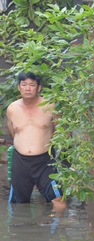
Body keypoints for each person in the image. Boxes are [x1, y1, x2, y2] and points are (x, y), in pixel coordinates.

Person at [7, 71, 67, 211]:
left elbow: (60, 131)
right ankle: (20, 232)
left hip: (45, 161)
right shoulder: (12, 109)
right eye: (24, 85)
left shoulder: (50, 106)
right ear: (19, 87)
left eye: (32, 85)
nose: (28, 88)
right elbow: (13, 132)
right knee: (17, 204)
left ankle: (55, 230)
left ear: (38, 88)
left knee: (59, 200)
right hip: (20, 162)